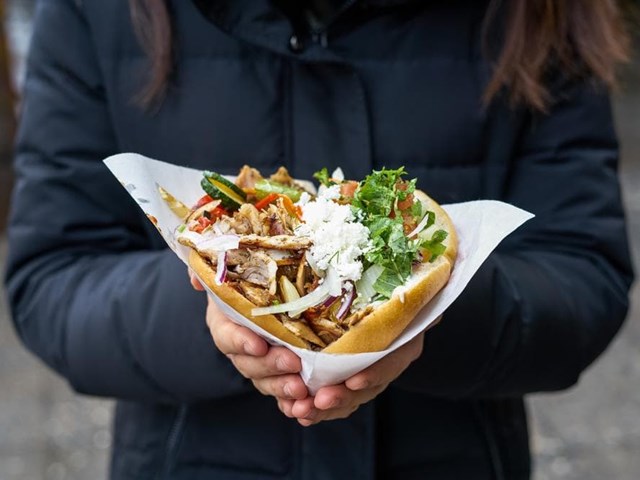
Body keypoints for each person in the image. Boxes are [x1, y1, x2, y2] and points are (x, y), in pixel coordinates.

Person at [4, 0, 634, 479]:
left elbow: (585, 277)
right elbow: (51, 280)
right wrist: (221, 311)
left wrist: (429, 311)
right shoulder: (98, 12)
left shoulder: (539, 13)